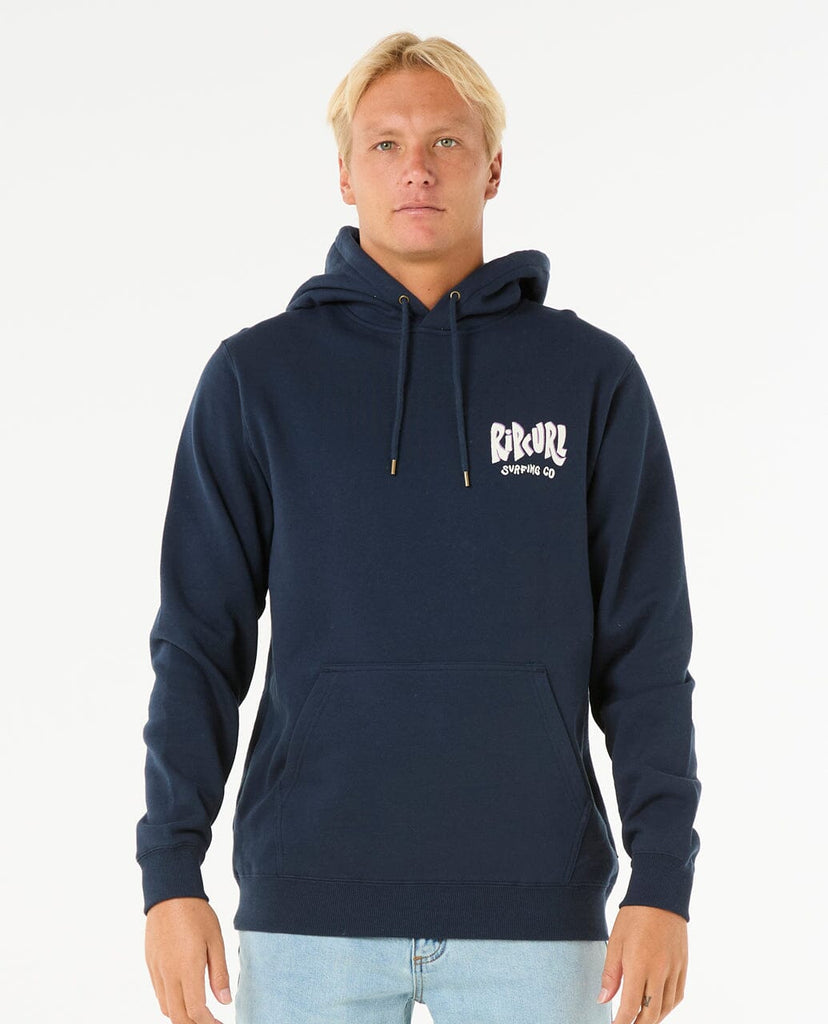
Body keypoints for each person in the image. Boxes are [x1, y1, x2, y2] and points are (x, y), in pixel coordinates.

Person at [136, 30, 701, 1024]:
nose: (418, 169)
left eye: (446, 141)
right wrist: (170, 873)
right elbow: (198, 644)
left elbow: (647, 651)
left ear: (494, 167)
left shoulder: (590, 378)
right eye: (386, 144)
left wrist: (663, 880)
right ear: (345, 175)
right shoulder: (258, 378)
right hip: (310, 912)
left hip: (537, 917)